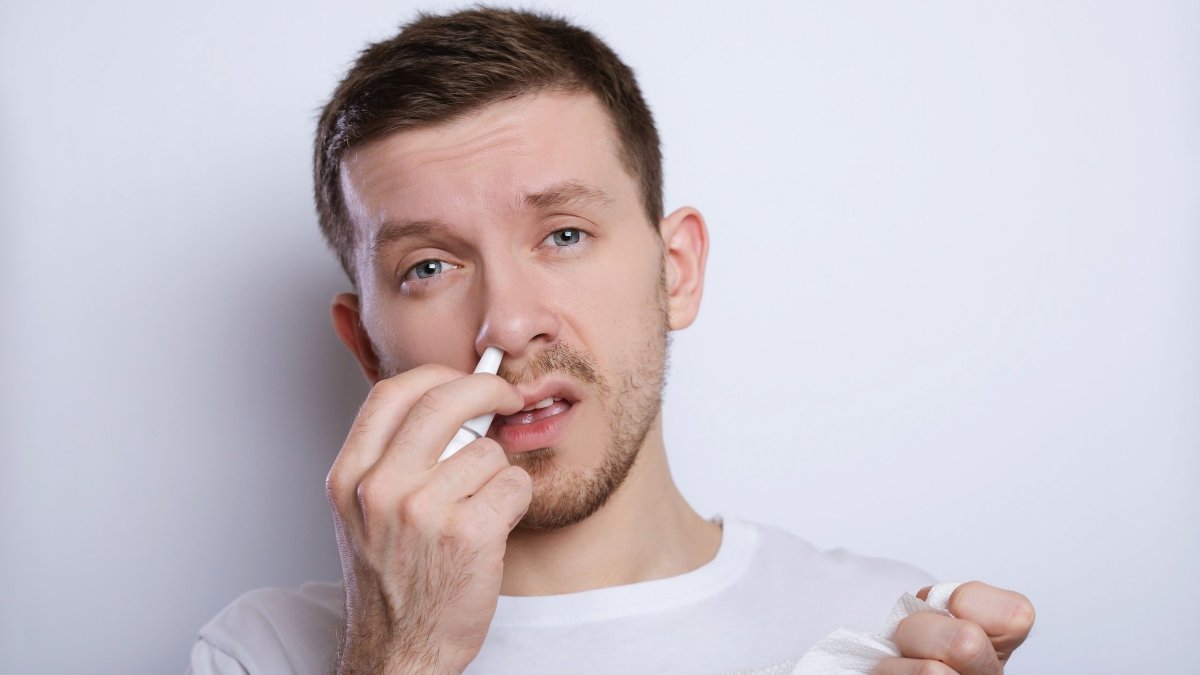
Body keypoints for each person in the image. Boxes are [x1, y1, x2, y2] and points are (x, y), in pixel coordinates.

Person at [187, 8, 1034, 674]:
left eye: (563, 235)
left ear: (676, 273)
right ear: (367, 347)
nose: (507, 324)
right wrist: (401, 657)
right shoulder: (265, 651)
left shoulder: (890, 626)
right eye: (430, 266)